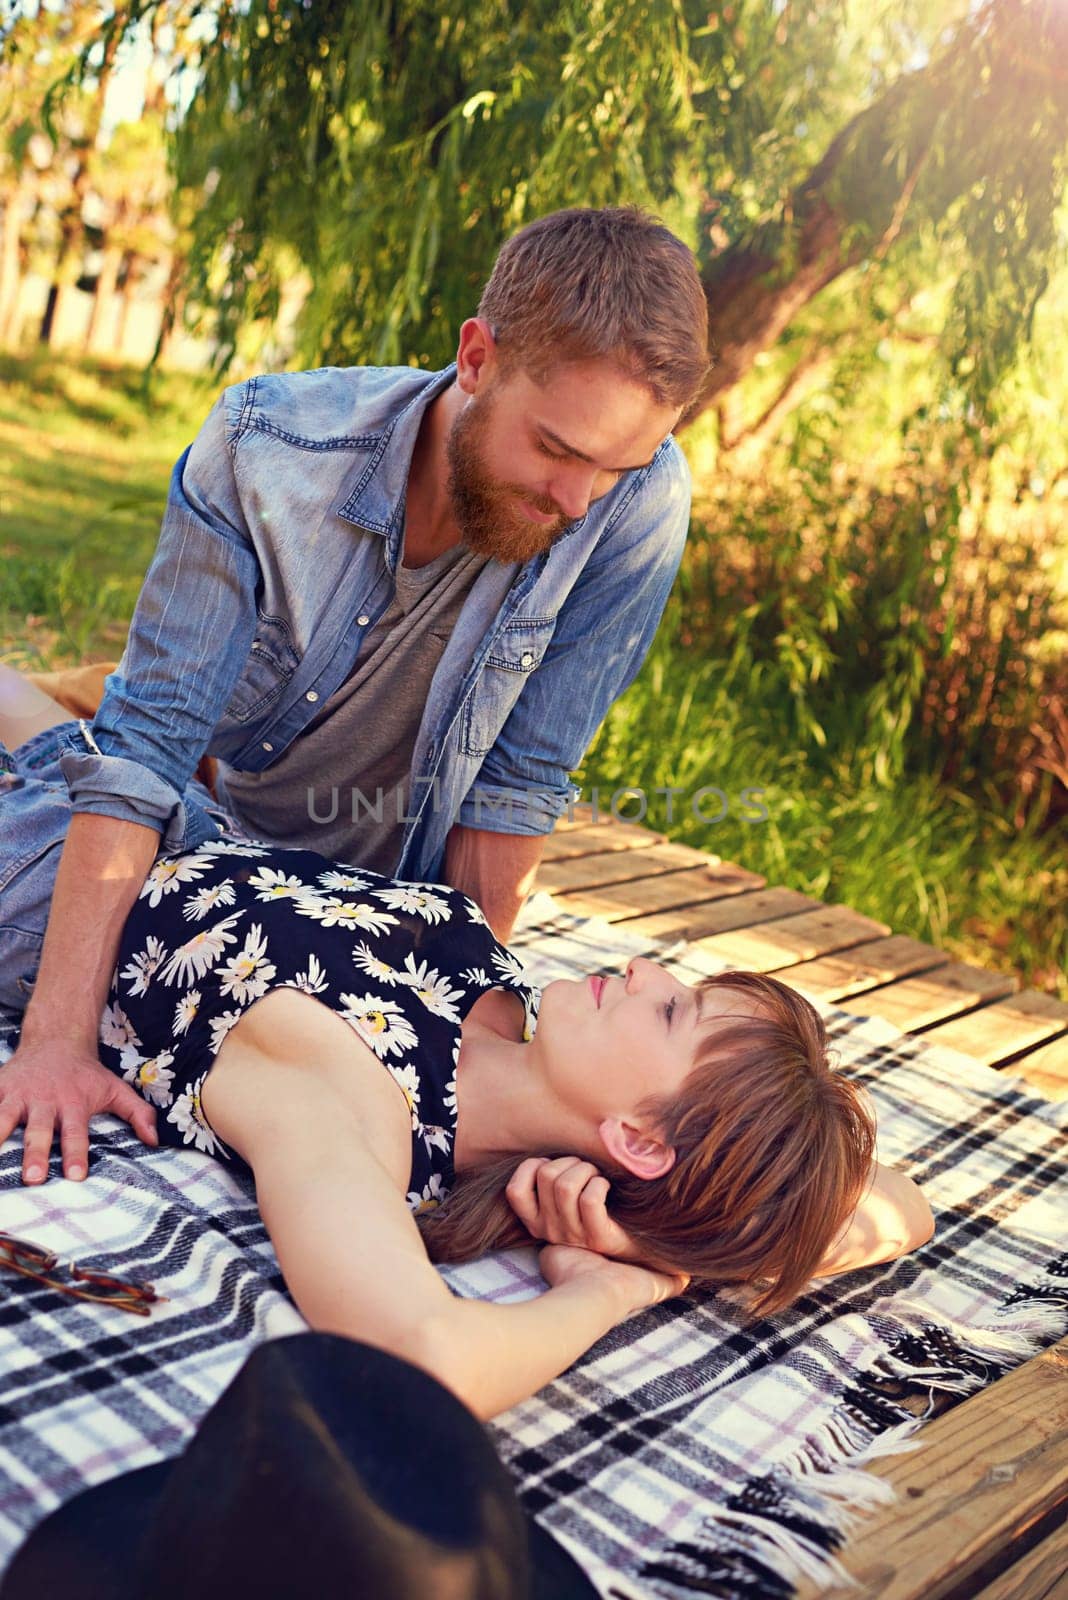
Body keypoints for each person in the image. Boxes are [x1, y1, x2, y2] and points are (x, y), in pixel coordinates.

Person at [0, 204, 709, 1185]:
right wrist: (55, 1041)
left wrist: (444, 1033)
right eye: (556, 448)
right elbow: (143, 753)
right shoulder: (266, 451)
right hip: (204, 830)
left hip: (347, 902)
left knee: (55, 748)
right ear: (476, 357)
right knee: (88, 762)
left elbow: (521, 785)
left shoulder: (636, 502)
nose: (578, 502)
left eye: (614, 467)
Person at [3, 683, 935, 1420]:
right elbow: (901, 1209)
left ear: (640, 1140)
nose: (646, 968)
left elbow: (425, 1355)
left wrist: (613, 1288)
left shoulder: (343, 1101)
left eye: (670, 1013)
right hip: (156, 815)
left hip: (38, 875)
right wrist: (649, 1233)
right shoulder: (508, 1022)